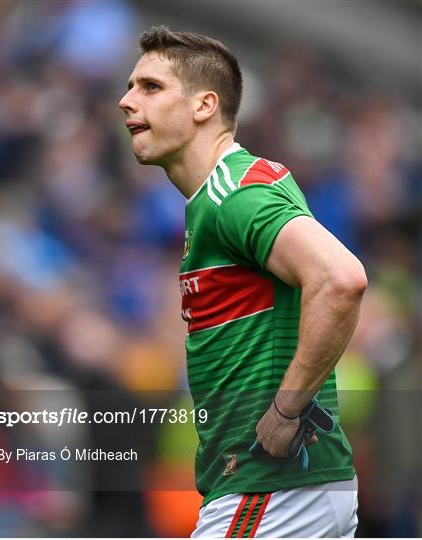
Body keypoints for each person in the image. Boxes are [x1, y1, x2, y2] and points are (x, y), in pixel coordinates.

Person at [119, 26, 367, 538]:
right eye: (130, 86)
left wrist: (286, 409)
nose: (126, 101)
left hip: (270, 491)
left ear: (204, 105)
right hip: (287, 491)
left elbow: (342, 279)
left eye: (150, 87)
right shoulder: (214, 198)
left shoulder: (234, 194)